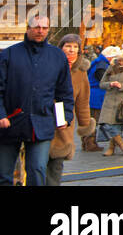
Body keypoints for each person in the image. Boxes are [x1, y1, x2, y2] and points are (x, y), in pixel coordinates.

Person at [0, 14, 75, 186]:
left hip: (41, 123)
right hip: (11, 122)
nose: (40, 31)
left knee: (37, 169)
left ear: (48, 29)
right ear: (28, 28)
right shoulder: (10, 54)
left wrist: (65, 117)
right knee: (4, 174)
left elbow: (64, 92)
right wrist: (1, 114)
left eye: (44, 28)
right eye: (36, 27)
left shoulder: (57, 56)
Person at [47, 34, 94, 186]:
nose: (71, 50)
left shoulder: (80, 72)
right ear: (61, 48)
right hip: (42, 119)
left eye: (75, 47)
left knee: (55, 166)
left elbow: (82, 101)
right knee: (37, 166)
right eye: (68, 46)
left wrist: (85, 124)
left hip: (63, 124)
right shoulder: (48, 65)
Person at [97, 48, 123, 156]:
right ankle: (122, 144)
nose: (121, 63)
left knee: (117, 126)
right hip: (109, 101)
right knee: (107, 124)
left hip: (122, 102)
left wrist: (121, 86)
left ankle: (111, 148)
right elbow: (101, 83)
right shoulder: (111, 68)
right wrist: (110, 84)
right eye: (120, 60)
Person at [85, 44, 110, 152]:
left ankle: (87, 143)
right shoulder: (102, 65)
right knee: (93, 120)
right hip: (96, 96)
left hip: (93, 94)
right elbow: (102, 80)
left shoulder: (98, 62)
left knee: (91, 120)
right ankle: (90, 143)